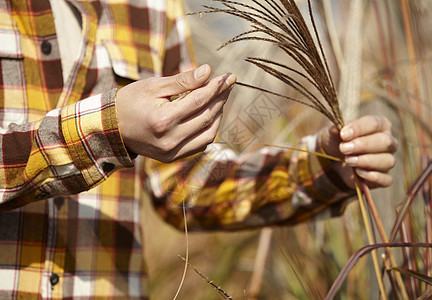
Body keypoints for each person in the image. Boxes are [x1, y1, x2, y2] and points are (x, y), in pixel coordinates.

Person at [0, 0, 397, 298]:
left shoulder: (153, 8)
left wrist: (324, 167)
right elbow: (112, 130)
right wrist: (108, 128)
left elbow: (183, 187)